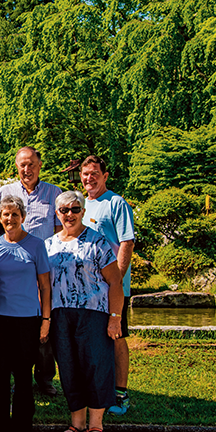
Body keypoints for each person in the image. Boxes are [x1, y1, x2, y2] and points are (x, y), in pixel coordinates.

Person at [45, 190, 124, 432]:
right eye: (64, 210)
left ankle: (96, 425)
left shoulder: (98, 242)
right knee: (68, 368)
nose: (70, 214)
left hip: (94, 314)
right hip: (60, 314)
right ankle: (77, 424)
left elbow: (115, 282)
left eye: (75, 209)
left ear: (83, 211)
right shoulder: (49, 245)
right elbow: (43, 286)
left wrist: (115, 318)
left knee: (96, 366)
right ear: (57, 213)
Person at [0, 146, 61, 396]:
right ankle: (13, 376)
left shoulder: (54, 193)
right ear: (16, 167)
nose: (27, 169)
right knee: (12, 332)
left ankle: (44, 378)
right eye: (22, 164)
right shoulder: (5, 192)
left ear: (40, 165)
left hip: (42, 265)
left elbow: (59, 232)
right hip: (12, 268)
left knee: (43, 332)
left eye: (31, 163)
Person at [0, 195, 51, 432]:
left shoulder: (36, 245)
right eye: (5, 214)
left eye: (15, 214)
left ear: (23, 217)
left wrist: (45, 319)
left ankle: (24, 428)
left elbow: (45, 286)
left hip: (27, 319)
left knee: (24, 375)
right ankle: (1, 428)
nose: (10, 219)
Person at [80, 155, 135, 416]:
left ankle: (121, 392)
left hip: (112, 287)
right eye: (85, 173)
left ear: (105, 175)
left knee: (117, 337)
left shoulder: (116, 203)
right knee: (95, 339)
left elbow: (127, 242)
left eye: (94, 173)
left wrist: (117, 280)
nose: (89, 178)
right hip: (88, 290)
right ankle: (98, 389)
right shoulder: (81, 206)